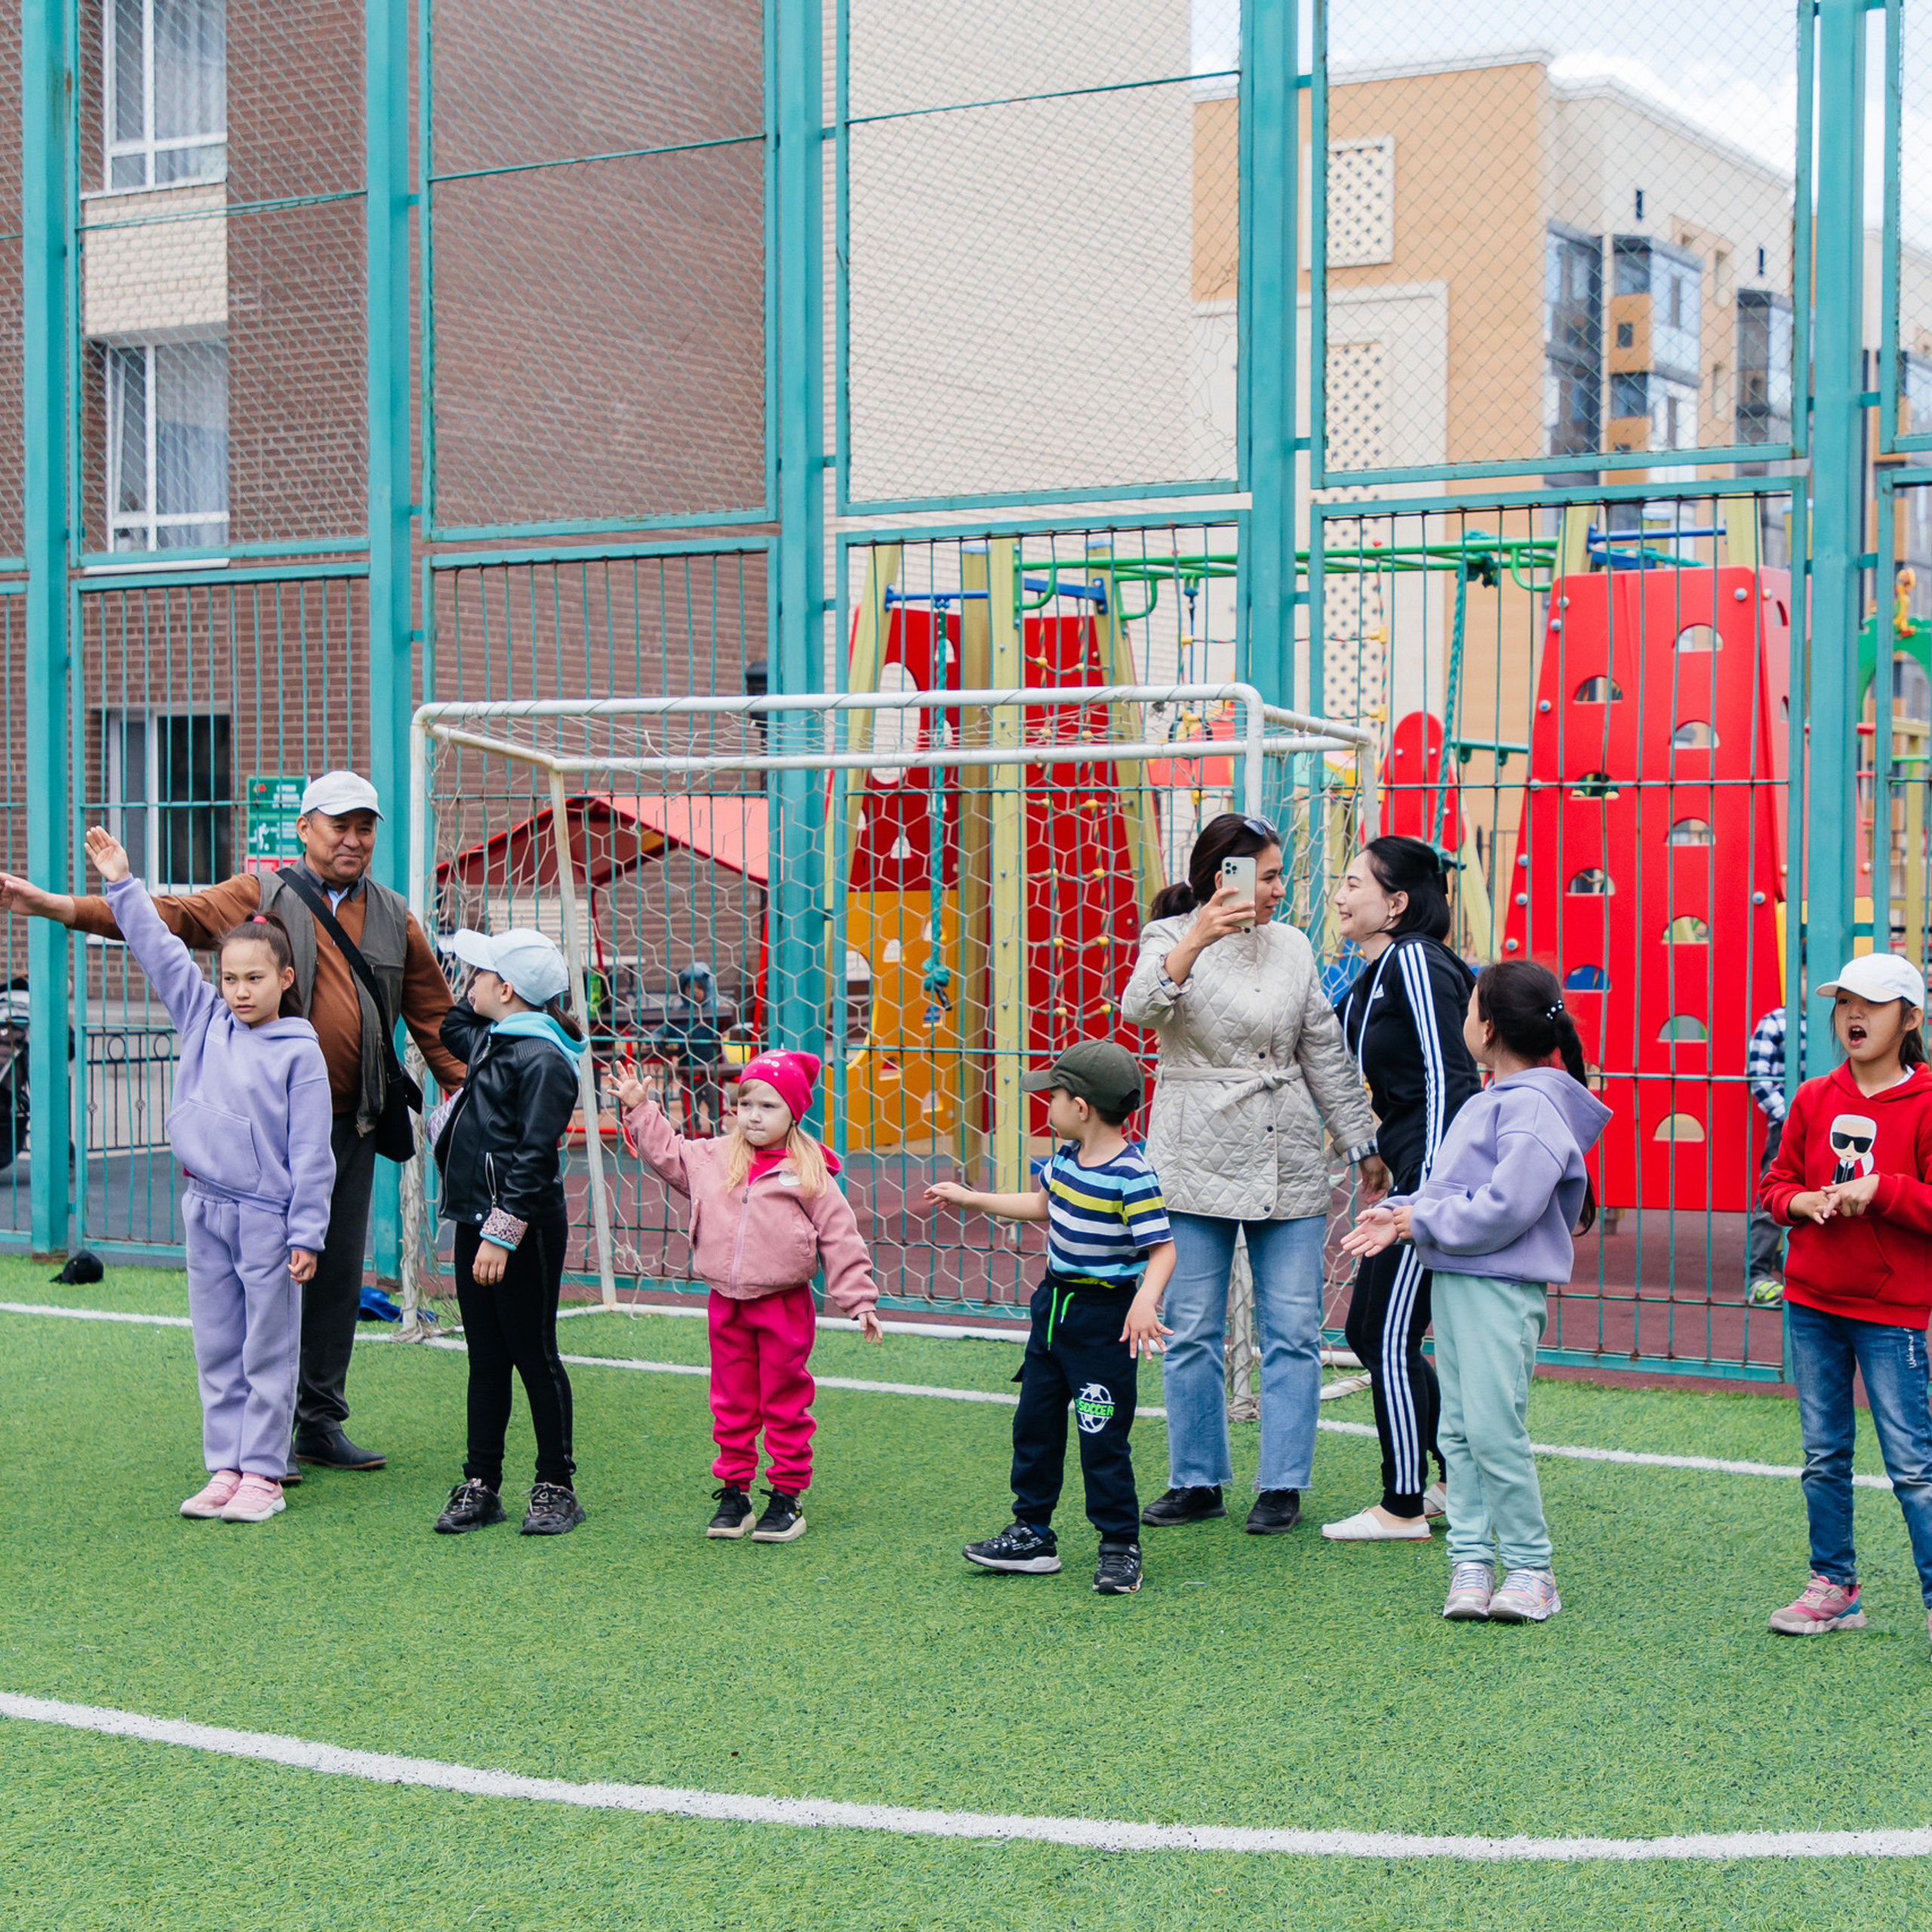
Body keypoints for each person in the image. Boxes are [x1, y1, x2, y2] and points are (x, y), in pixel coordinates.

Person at [0, 771, 465, 1476]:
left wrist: (480, 1100)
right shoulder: (260, 896)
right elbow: (171, 921)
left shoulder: (395, 915)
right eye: (337, 824)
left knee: (335, 1273)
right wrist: (61, 906)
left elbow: (434, 1019)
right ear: (305, 828)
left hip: (351, 1126)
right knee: (261, 1287)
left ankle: (317, 1420)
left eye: (364, 825)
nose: (352, 838)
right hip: (261, 1141)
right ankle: (254, 1440)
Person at [1120, 815, 1381, 1537]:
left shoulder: (1294, 946)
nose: (1275, 890)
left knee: (1294, 1329)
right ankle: (1197, 1478)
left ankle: (1283, 1484)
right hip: (1193, 1148)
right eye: (1264, 876)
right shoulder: (1169, 937)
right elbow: (1138, 1010)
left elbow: (1323, 1049)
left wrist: (1361, 1141)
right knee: (1194, 1326)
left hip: (1285, 1147)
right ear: (1219, 876)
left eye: (1274, 876)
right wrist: (1199, 935)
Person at [82, 826, 335, 1526]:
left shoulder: (299, 1053)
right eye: (229, 978)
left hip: (267, 1220)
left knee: (268, 1347)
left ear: (285, 980)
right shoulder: (202, 1020)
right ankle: (225, 1467)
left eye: (255, 978)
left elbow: (314, 1152)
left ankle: (265, 1474)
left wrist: (307, 1233)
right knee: (217, 1342)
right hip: (206, 1208)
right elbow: (160, 951)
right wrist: (122, 884)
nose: (240, 991)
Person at [1343, 960, 1609, 1624]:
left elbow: (1507, 1205)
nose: (1461, 1020)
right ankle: (1471, 1559)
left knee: (1492, 1429)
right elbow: (1453, 1191)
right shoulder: (1491, 1100)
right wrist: (1403, 1212)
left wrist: (1417, 1220)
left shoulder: (1532, 1105)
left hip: (1497, 1286)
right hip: (1462, 1280)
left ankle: (1529, 1567)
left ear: (1486, 1028)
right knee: (1459, 1431)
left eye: (1468, 1009)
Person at [930, 1041, 1177, 1597]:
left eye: (1055, 1095)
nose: (1048, 1104)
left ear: (1082, 1107)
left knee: (1101, 1435)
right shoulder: (1065, 1159)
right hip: (1053, 1311)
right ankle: (1032, 1534)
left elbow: (1162, 1248)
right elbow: (1045, 1205)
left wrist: (1145, 1300)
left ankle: (1119, 1545)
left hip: (1103, 1319)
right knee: (1035, 1426)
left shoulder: (1132, 1175)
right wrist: (974, 1199)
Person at [617, 1048, 884, 1542]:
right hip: (727, 1303)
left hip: (783, 1306)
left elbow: (840, 1233)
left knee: (784, 1401)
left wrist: (859, 1298)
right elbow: (667, 1153)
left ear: (794, 1113)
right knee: (731, 1400)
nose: (754, 1116)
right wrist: (640, 1109)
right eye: (746, 1103)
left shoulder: (808, 1171)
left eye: (769, 1106)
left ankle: (786, 1497)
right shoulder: (713, 1157)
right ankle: (734, 1492)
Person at [1757, 952, 1932, 1654]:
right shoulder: (1812, 1097)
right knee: (1824, 1455)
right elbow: (1774, 1185)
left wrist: (1883, 1189)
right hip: (1813, 1304)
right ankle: (1835, 1587)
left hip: (1893, 1317)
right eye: (1844, 1002)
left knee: (1914, 1467)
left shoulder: (1926, 1103)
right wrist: (1797, 1202)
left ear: (1911, 1018)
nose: (1854, 1015)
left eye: (1874, 1003)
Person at [1323, 835, 1483, 1542]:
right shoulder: (1375, 971)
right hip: (1410, 1170)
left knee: (1387, 1335)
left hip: (1433, 1179)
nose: (1340, 894)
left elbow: (1451, 1076)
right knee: (1367, 1329)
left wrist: (1429, 1191)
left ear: (1397, 903)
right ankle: (1454, 1472)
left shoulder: (1415, 959)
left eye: (1355, 883)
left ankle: (1403, 1505)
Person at [429, 928, 591, 1537]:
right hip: (476, 1221)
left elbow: (534, 1160)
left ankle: (556, 1484)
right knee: (487, 1356)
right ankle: (482, 1482)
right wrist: (466, 985)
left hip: (520, 1229)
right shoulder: (491, 1038)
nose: (467, 984)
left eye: (478, 975)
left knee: (533, 1352)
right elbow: (450, 1025)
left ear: (506, 989)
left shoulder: (544, 1059)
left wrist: (503, 1233)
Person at [1744, 1004, 1806, 1308]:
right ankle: (1757, 1276)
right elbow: (1758, 1077)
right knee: (1771, 1197)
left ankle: (1803, 1272)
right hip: (1787, 1124)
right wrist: (1791, 1116)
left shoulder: (1832, 1019)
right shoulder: (1777, 1021)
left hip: (1830, 1123)